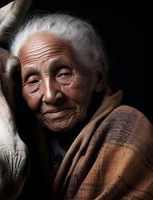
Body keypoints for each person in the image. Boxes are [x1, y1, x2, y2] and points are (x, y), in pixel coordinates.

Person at [10, 13, 153, 199]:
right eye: (33, 81)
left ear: (98, 77)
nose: (50, 95)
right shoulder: (25, 144)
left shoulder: (127, 126)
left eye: (63, 74)